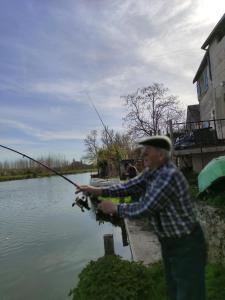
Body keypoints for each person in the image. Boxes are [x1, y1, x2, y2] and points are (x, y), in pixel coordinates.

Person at [76, 135, 206, 300]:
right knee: (174, 290)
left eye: (147, 151)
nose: (143, 155)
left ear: (160, 155)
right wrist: (95, 190)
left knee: (188, 293)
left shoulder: (168, 175)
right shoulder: (151, 173)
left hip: (186, 243)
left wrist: (115, 208)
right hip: (169, 241)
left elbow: (146, 207)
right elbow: (127, 186)